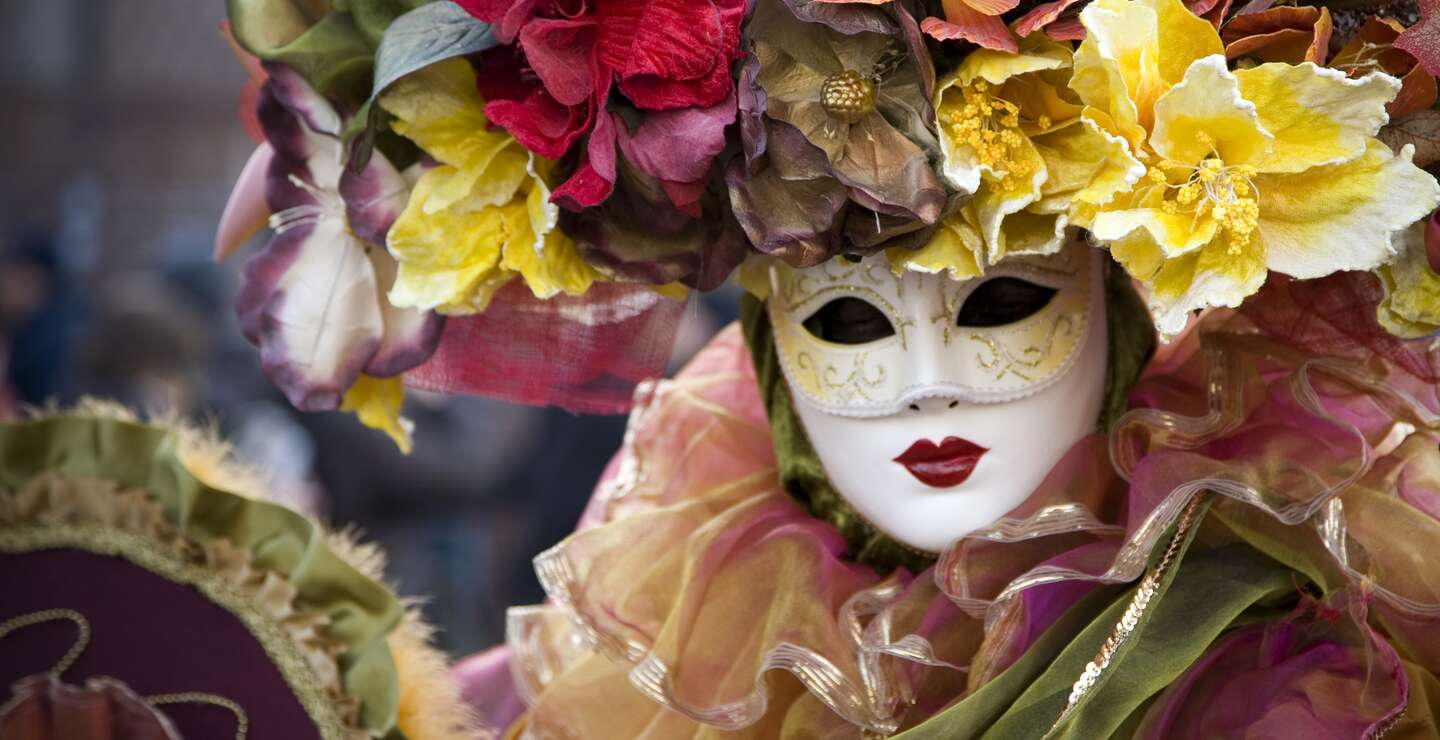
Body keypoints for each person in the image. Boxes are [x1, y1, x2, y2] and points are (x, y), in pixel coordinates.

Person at [212, 0, 1440, 735]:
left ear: (1123, 327)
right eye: (847, 321)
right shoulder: (671, 658)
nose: (928, 383)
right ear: (765, 353)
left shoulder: (1282, 659)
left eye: (1002, 302)